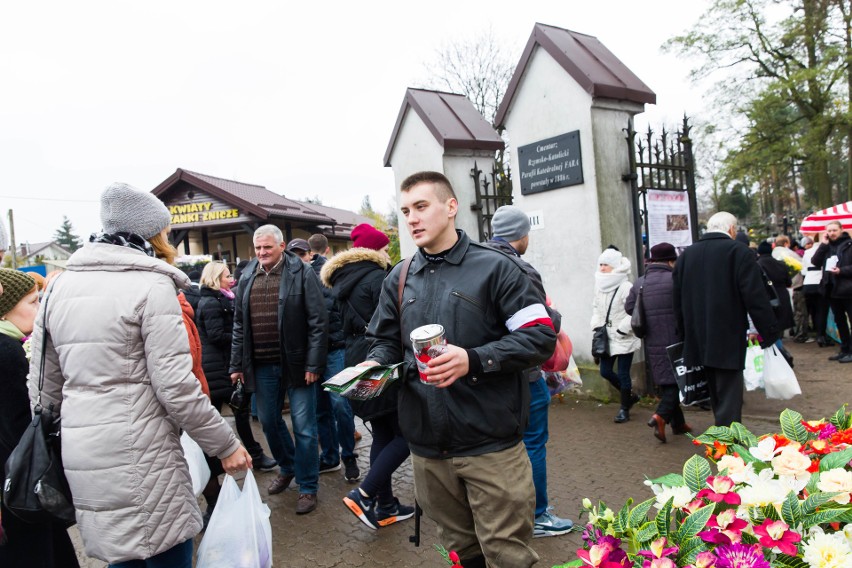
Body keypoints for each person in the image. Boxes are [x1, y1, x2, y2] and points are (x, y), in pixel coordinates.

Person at [30, 183, 252, 567]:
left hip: (83, 455)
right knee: (166, 550)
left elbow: (44, 390)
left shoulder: (58, 287)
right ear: (151, 232)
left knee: (122, 553)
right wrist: (225, 445)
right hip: (144, 454)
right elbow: (176, 388)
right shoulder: (152, 285)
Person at [363, 171, 556, 568]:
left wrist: (473, 359)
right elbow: (383, 340)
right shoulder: (398, 277)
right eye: (405, 211)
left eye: (421, 206)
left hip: (491, 447)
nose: (412, 219)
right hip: (428, 450)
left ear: (451, 207)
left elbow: (540, 337)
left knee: (508, 556)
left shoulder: (498, 268)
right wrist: (374, 364)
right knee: (462, 555)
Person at [486, 205, 573, 537]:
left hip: (486, 373)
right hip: (523, 373)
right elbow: (542, 324)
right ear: (521, 235)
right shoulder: (519, 268)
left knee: (500, 447)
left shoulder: (475, 262)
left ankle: (502, 514)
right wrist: (554, 313)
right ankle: (537, 516)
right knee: (533, 443)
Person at [321, 223, 414, 530]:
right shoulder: (379, 277)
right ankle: (364, 494)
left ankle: (386, 507)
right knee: (408, 434)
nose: (388, 253)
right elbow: (395, 321)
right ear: (374, 250)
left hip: (356, 359)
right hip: (381, 358)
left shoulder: (340, 281)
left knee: (383, 433)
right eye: (385, 248)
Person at [230, 225, 328, 514]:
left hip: (297, 365)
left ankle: (308, 486)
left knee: (305, 428)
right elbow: (238, 324)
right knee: (270, 423)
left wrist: (313, 363)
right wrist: (236, 364)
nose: (261, 253)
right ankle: (288, 467)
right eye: (258, 248)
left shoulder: (302, 272)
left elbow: (317, 321)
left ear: (281, 246)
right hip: (260, 365)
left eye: (267, 248)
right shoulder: (248, 274)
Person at [0, 269, 80, 568]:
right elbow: (22, 430)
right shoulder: (8, 352)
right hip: (18, 488)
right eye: (33, 301)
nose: (39, 308)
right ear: (5, 309)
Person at [673, 211, 780, 427]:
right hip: (727, 334)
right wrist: (768, 332)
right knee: (730, 393)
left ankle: (723, 437)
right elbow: (755, 297)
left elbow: (676, 299)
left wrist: (684, 334)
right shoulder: (738, 252)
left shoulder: (686, 255)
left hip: (697, 336)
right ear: (732, 229)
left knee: (715, 392)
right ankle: (728, 444)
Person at [196, 261, 277, 520]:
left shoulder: (222, 299)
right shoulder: (210, 303)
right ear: (215, 278)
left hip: (223, 366)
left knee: (239, 414)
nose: (231, 279)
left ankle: (249, 454)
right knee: (231, 414)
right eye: (227, 276)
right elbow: (216, 334)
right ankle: (234, 459)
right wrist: (242, 336)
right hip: (217, 369)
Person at [300, 234, 359, 482]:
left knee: (340, 405)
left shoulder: (329, 274)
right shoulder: (294, 279)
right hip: (310, 354)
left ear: (310, 254)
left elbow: (338, 308)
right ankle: (330, 457)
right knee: (320, 409)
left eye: (301, 254)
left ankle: (349, 457)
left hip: (334, 348)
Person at [625, 243, 691, 443]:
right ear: (671, 260)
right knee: (677, 382)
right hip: (677, 339)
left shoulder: (640, 283)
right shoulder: (676, 280)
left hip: (652, 340)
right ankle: (660, 416)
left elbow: (630, 308)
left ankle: (678, 424)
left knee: (667, 381)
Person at [591, 247, 641, 423]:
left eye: (606, 265)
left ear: (614, 266)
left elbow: (633, 311)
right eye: (601, 264)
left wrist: (623, 328)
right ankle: (630, 396)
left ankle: (624, 409)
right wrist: (597, 326)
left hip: (623, 336)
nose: (602, 268)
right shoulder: (599, 284)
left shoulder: (625, 286)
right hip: (607, 336)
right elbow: (596, 307)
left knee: (623, 373)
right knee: (605, 371)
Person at [811, 221, 852, 363]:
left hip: (848, 289)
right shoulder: (827, 247)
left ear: (841, 230)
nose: (832, 233)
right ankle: (845, 349)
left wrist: (842, 271)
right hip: (832, 290)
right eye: (829, 230)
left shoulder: (849, 245)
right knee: (840, 321)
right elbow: (815, 261)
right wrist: (823, 245)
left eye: (835, 230)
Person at [757, 241, 794, 333]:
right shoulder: (781, 264)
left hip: (767, 295)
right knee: (781, 320)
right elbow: (788, 282)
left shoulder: (757, 265)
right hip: (782, 294)